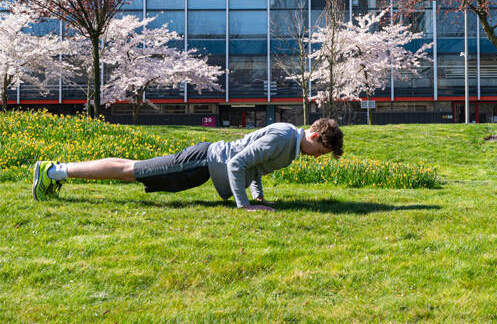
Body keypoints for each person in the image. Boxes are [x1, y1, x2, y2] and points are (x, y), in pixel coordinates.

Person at [32, 117, 344, 211]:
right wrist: (245, 205)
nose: (318, 157)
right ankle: (54, 171)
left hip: (203, 164)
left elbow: (255, 166)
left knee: (132, 165)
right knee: (131, 171)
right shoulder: (283, 139)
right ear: (314, 135)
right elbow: (238, 163)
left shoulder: (289, 140)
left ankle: (58, 169)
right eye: (321, 151)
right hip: (201, 163)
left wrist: (258, 195)